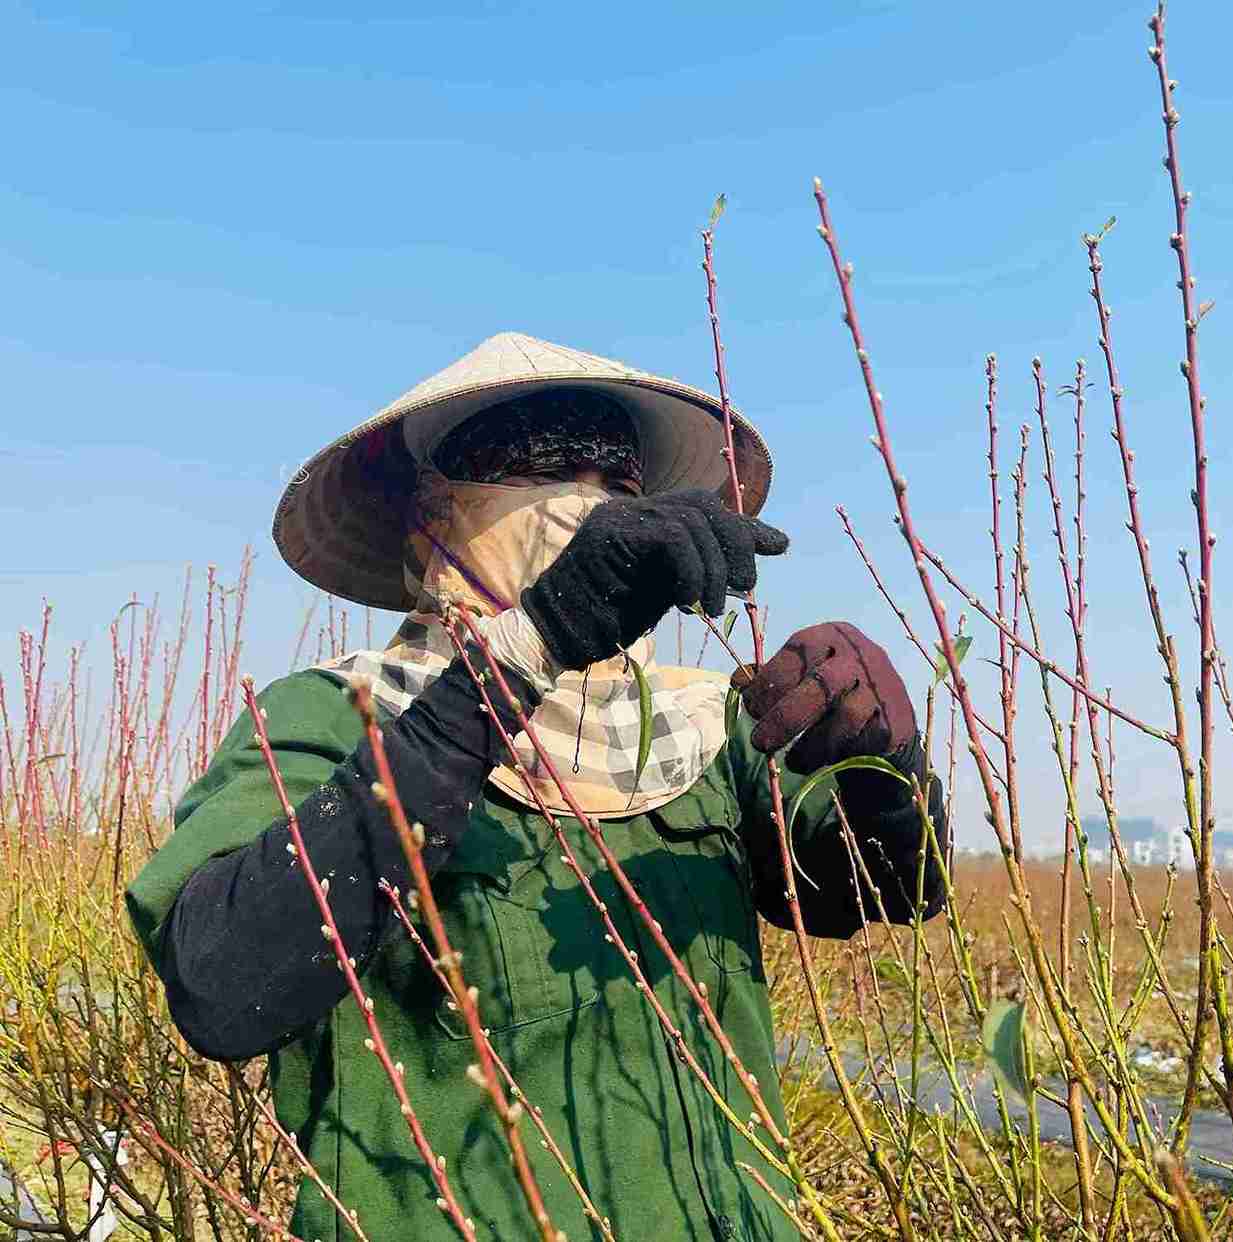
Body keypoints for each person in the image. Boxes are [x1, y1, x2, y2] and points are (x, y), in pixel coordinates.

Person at [125, 333, 949, 1242]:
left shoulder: (713, 726)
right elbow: (221, 981)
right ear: (433, 512)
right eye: (535, 460)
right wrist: (524, 652)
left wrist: (885, 770)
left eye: (618, 476)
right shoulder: (332, 719)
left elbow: (882, 894)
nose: (586, 495)